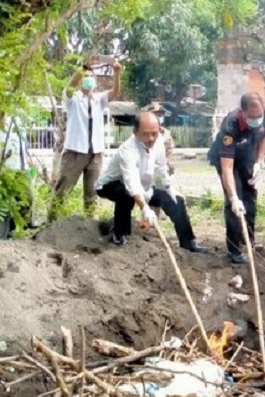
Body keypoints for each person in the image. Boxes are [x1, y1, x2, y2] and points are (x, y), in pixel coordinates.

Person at [95, 112, 208, 252]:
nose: (151, 138)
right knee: (126, 194)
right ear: (135, 131)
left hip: (143, 186)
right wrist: (145, 208)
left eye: (154, 133)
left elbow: (161, 168)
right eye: (146, 134)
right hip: (110, 184)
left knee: (175, 201)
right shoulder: (127, 150)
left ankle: (188, 242)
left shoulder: (158, 141)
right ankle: (120, 234)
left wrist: (168, 187)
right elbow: (132, 183)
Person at [49, 57, 122, 221]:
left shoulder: (99, 99)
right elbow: (69, 88)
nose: (88, 79)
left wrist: (117, 73)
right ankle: (51, 223)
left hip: (95, 153)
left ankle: (89, 225)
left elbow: (114, 92)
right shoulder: (73, 99)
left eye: (90, 76)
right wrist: (84, 67)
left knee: (92, 193)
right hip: (75, 152)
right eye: (85, 76)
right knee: (63, 190)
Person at [208, 92, 265, 264]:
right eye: (252, 117)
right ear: (242, 112)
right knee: (234, 203)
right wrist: (234, 197)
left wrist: (259, 162)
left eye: (259, 115)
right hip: (226, 160)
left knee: (250, 197)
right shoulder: (231, 125)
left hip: (247, 157)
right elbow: (227, 168)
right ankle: (234, 250)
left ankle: (248, 239)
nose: (257, 119)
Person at [0, 116, 34, 238]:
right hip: (6, 169)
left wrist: (28, 162)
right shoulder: (2, 118)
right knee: (5, 206)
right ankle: (3, 238)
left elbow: (23, 144)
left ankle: (20, 231)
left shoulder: (19, 117)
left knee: (28, 199)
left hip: (22, 168)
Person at [144, 102, 175, 174]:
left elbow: (169, 151)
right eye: (156, 114)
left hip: (161, 170)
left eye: (161, 115)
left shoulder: (166, 133)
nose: (159, 116)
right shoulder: (141, 133)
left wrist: (169, 166)